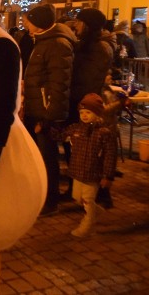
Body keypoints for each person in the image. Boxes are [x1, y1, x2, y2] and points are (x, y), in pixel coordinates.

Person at [21, 4, 77, 216]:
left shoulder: (57, 44)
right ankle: (43, 194)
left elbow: (59, 85)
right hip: (38, 108)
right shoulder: (44, 41)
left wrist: (49, 119)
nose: (26, 24)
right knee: (39, 157)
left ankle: (50, 200)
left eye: (29, 19)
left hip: (45, 113)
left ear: (40, 22)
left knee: (47, 158)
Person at [65, 8, 116, 194]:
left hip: (85, 105)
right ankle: (77, 188)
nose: (75, 25)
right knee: (77, 148)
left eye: (79, 22)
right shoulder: (88, 44)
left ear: (88, 25)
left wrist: (78, 104)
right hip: (79, 102)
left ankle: (91, 193)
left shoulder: (99, 47)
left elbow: (87, 79)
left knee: (87, 150)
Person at [59, 93, 117, 237]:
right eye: (82, 112)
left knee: (88, 200)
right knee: (77, 197)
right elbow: (60, 135)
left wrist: (108, 176)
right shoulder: (76, 129)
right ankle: (96, 211)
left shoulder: (104, 133)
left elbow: (110, 156)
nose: (84, 115)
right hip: (78, 172)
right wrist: (47, 129)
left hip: (93, 173)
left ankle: (87, 225)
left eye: (88, 112)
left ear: (97, 113)